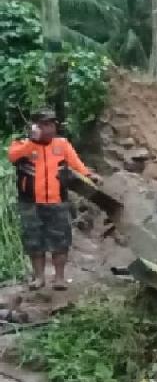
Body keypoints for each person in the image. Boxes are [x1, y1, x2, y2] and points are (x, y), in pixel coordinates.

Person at [7, 108, 101, 291]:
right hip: (30, 203)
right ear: (34, 126)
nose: (49, 128)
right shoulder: (22, 144)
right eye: (44, 124)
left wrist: (90, 175)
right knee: (34, 242)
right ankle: (39, 278)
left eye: (51, 124)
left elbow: (77, 164)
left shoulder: (62, 144)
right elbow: (12, 156)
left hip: (57, 201)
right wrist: (32, 141)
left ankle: (59, 279)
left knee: (60, 241)